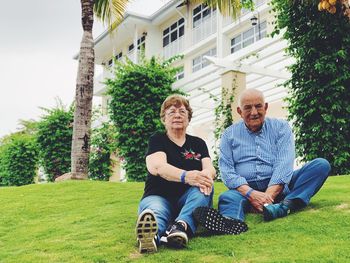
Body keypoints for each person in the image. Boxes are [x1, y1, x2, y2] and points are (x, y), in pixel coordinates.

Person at [193, 88, 331, 234]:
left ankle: (283, 206)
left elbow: (284, 163)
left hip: (280, 187)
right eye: (248, 108)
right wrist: (252, 194)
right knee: (228, 197)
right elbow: (227, 171)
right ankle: (230, 222)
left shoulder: (281, 127)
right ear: (240, 111)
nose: (254, 112)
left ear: (265, 107)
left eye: (258, 106)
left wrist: (267, 197)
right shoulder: (229, 135)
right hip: (245, 191)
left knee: (320, 166)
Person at [136, 94, 218, 253]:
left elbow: (210, 168)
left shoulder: (198, 143)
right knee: (156, 211)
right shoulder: (158, 139)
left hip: (187, 197)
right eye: (171, 112)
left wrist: (205, 176)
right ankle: (150, 236)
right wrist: (187, 176)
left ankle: (180, 227)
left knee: (204, 187)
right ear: (164, 119)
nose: (177, 115)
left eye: (182, 111)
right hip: (159, 195)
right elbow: (157, 167)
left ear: (188, 117)